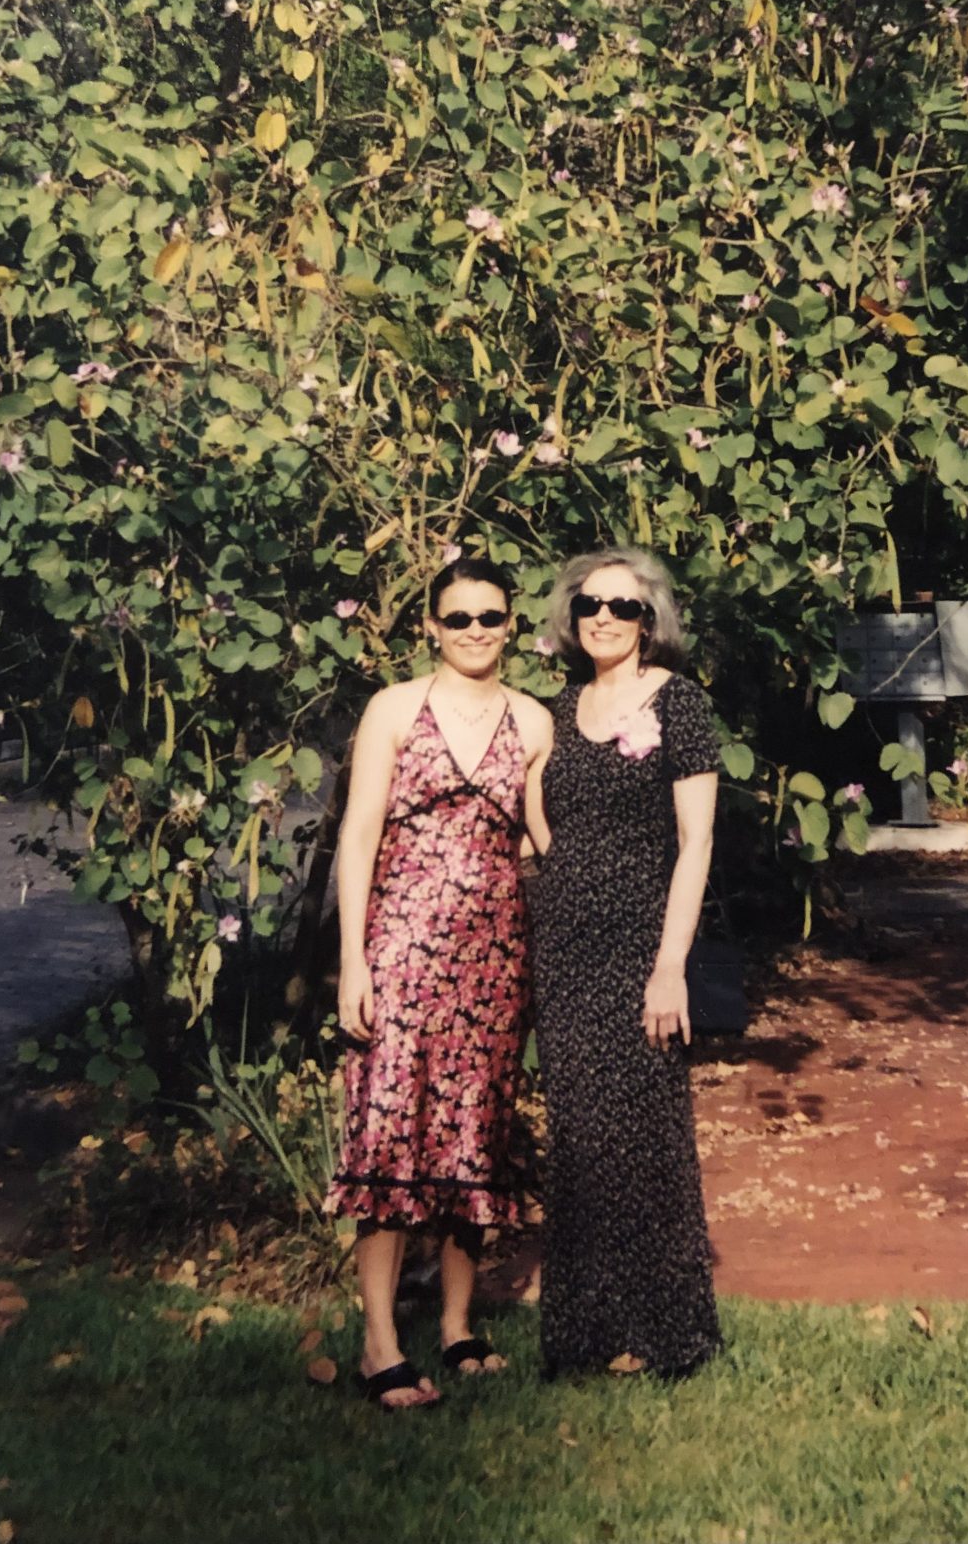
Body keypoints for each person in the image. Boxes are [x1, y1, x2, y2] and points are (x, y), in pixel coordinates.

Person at [325, 556, 552, 1409]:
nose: (475, 634)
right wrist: (354, 958)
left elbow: (541, 838)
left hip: (494, 956)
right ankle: (379, 1344)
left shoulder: (532, 722)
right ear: (430, 626)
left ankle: (457, 1327)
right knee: (389, 1136)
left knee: (472, 1134)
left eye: (490, 618)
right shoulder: (393, 709)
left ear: (510, 623)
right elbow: (359, 834)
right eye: (458, 619)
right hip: (402, 948)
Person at [531, 545, 723, 1379]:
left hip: (644, 945)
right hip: (564, 947)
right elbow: (538, 825)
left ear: (651, 621)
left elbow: (697, 842)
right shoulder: (558, 708)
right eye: (589, 606)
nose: (603, 617)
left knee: (646, 1130)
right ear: (571, 620)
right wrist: (558, 876)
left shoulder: (680, 703)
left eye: (622, 606)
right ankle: (587, 1333)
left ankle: (667, 1330)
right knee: (579, 1135)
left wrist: (670, 963)